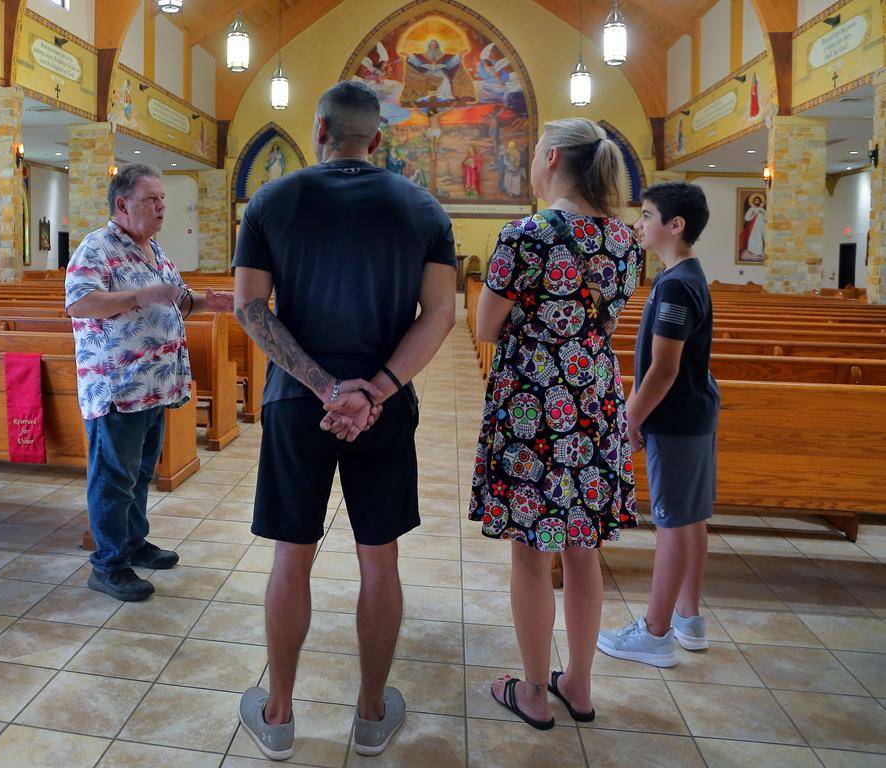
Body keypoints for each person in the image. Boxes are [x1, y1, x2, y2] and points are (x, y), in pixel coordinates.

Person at [232, 80, 456, 761]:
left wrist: (327, 387)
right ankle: (368, 715)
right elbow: (440, 313)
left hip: (298, 405)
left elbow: (250, 309)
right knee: (378, 558)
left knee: (291, 555)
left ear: (319, 130)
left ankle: (277, 714)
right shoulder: (422, 207)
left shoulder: (271, 200)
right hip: (384, 411)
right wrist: (376, 388)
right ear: (378, 140)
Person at [469, 117, 641, 729]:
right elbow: (605, 327)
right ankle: (582, 686)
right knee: (584, 550)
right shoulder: (625, 241)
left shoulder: (526, 234)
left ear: (548, 159)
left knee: (530, 552)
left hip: (533, 404)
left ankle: (536, 691)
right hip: (593, 399)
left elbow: (486, 326)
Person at [64, 163, 233, 603]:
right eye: (151, 199)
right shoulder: (96, 248)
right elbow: (80, 304)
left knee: (139, 474)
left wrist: (206, 301)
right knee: (113, 479)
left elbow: (177, 300)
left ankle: (134, 543)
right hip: (118, 387)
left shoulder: (154, 250)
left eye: (162, 199)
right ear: (122, 204)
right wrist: (140, 295)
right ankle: (109, 564)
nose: (161, 207)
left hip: (155, 386)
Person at [597, 182, 719, 667]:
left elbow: (663, 368)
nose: (638, 223)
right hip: (692, 412)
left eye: (647, 215)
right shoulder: (686, 275)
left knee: (671, 523)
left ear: (676, 225)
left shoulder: (674, 285)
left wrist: (630, 416)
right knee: (690, 519)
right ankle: (689, 619)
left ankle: (655, 632)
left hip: (674, 418)